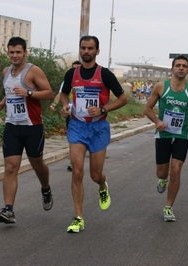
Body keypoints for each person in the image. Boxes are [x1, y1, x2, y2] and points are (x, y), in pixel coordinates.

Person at [60, 35, 127, 233]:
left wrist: (104, 109)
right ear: (80, 49)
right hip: (77, 126)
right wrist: (65, 106)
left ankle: (103, 185)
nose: (86, 51)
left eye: (90, 48)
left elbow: (122, 99)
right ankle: (78, 217)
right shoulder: (71, 74)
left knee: (94, 174)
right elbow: (64, 94)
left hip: (98, 128)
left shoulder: (105, 74)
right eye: (83, 48)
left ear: (97, 51)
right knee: (77, 172)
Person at [0, 37, 54, 224]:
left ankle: (45, 187)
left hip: (32, 127)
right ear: (8, 53)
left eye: (18, 52)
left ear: (25, 52)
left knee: (37, 164)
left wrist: (28, 93)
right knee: (11, 167)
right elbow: (10, 92)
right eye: (11, 52)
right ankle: (8, 210)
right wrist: (3, 102)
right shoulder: (6, 72)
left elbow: (49, 93)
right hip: (12, 126)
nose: (15, 55)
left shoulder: (33, 70)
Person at [144, 54, 188, 222]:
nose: (181, 68)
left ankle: (168, 207)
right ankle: (162, 180)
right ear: (172, 69)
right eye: (178, 65)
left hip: (181, 135)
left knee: (176, 170)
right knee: (162, 172)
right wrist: (157, 121)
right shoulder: (161, 87)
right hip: (163, 134)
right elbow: (147, 108)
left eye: (184, 66)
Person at [50, 60, 82, 171]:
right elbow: (61, 94)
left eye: (78, 68)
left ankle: (80, 156)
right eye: (73, 68)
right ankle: (73, 161)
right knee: (72, 137)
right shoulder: (68, 80)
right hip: (70, 112)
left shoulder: (86, 80)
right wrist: (54, 104)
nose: (75, 70)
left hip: (84, 115)